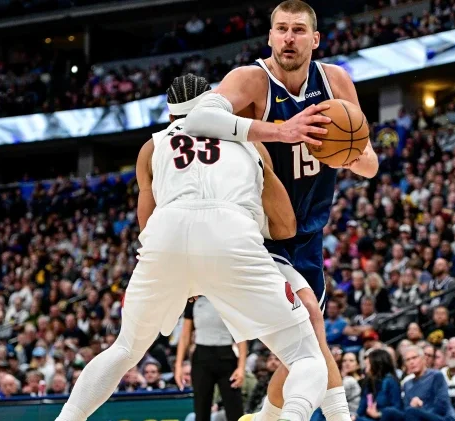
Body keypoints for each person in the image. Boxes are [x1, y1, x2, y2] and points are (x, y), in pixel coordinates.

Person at [55, 74, 328, 421]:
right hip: (230, 232)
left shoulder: (152, 147)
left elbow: (146, 223)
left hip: (165, 235)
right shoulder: (250, 142)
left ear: (171, 117)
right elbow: (285, 226)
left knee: (124, 348)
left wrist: (182, 277)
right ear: (215, 104)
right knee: (305, 356)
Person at [183, 2, 378, 421]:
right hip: (257, 232)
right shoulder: (251, 80)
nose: (289, 37)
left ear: (315, 39)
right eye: (282, 29)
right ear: (270, 36)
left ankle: (264, 419)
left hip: (308, 235)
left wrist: (336, 154)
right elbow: (197, 119)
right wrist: (281, 132)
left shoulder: (336, 81)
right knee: (309, 324)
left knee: (297, 356)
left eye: (298, 30)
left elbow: (369, 164)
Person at [175, 296, 247, 421]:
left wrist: (241, 367)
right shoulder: (193, 300)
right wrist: (178, 366)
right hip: (201, 359)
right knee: (201, 410)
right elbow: (185, 336)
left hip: (227, 358)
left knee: (235, 411)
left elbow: (241, 335)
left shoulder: (229, 298)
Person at [382, 346, 455, 421]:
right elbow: (406, 409)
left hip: (441, 417)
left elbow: (441, 406)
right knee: (388, 412)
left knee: (412, 412)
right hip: (415, 415)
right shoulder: (407, 384)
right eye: (407, 360)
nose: (411, 362)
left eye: (414, 358)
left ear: (423, 359)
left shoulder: (436, 376)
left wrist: (420, 409)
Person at [355, 349, 402, 421]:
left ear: (376, 365)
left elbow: (397, 409)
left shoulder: (390, 381)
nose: (365, 369)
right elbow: (361, 409)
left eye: (368, 365)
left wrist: (379, 414)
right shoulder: (368, 382)